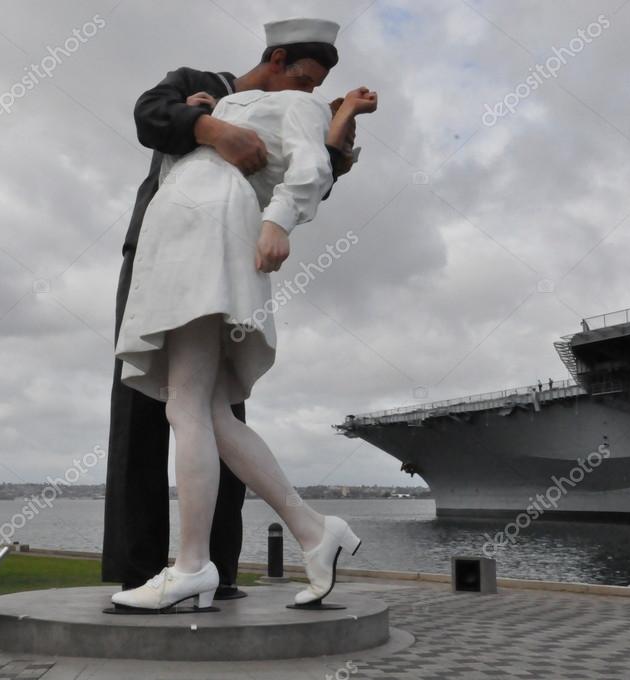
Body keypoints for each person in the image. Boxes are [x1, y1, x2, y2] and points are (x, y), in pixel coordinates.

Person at [109, 46, 378, 609]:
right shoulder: (208, 89)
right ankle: (310, 532)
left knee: (186, 406)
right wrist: (206, 118)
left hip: (205, 238)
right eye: (303, 78)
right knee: (200, 409)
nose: (307, 91)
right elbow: (151, 117)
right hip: (176, 242)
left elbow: (308, 170)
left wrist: (334, 135)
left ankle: (192, 565)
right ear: (277, 59)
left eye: (316, 87)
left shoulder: (292, 106)